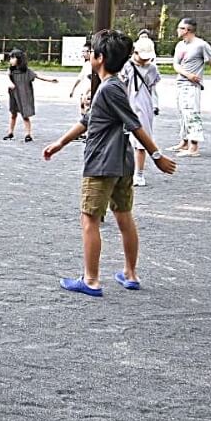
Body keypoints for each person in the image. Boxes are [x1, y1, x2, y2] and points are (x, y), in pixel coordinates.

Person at [43, 30, 177, 297]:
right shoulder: (111, 86)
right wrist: (60, 143)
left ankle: (91, 280)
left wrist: (157, 156)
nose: (88, 54)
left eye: (91, 51)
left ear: (99, 58)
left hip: (103, 163)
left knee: (89, 218)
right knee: (124, 216)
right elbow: (88, 120)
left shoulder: (110, 88)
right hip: (121, 162)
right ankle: (130, 273)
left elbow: (134, 124)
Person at [171, 18, 211, 157]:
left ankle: (194, 147)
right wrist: (187, 74)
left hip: (192, 86)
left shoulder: (201, 45)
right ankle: (184, 141)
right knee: (182, 113)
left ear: (187, 30)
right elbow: (176, 65)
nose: (177, 30)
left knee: (192, 113)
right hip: (181, 82)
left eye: (180, 28)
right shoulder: (180, 45)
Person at [119, 37, 162, 187]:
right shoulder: (126, 66)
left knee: (141, 142)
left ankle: (139, 173)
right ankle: (124, 171)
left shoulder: (152, 68)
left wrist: (155, 105)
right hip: (127, 104)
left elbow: (152, 89)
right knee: (123, 140)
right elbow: (122, 85)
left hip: (144, 106)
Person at [3, 49, 58, 142]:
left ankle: (28, 134)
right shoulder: (11, 71)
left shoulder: (27, 71)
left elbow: (38, 76)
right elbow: (7, 78)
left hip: (24, 95)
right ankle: (10, 132)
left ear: (19, 59)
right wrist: (10, 84)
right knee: (13, 114)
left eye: (12, 58)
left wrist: (50, 79)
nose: (10, 60)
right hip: (14, 94)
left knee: (25, 115)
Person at [138, 30, 160, 116]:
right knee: (150, 88)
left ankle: (153, 105)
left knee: (149, 88)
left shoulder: (144, 44)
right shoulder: (147, 43)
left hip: (146, 68)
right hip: (147, 68)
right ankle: (153, 105)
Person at [69, 44, 94, 120]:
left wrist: (87, 93)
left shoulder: (94, 65)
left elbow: (93, 81)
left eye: (85, 51)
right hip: (83, 93)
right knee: (83, 113)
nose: (83, 54)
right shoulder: (86, 64)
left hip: (89, 93)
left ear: (90, 52)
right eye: (82, 51)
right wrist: (73, 89)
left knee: (88, 113)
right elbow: (79, 78)